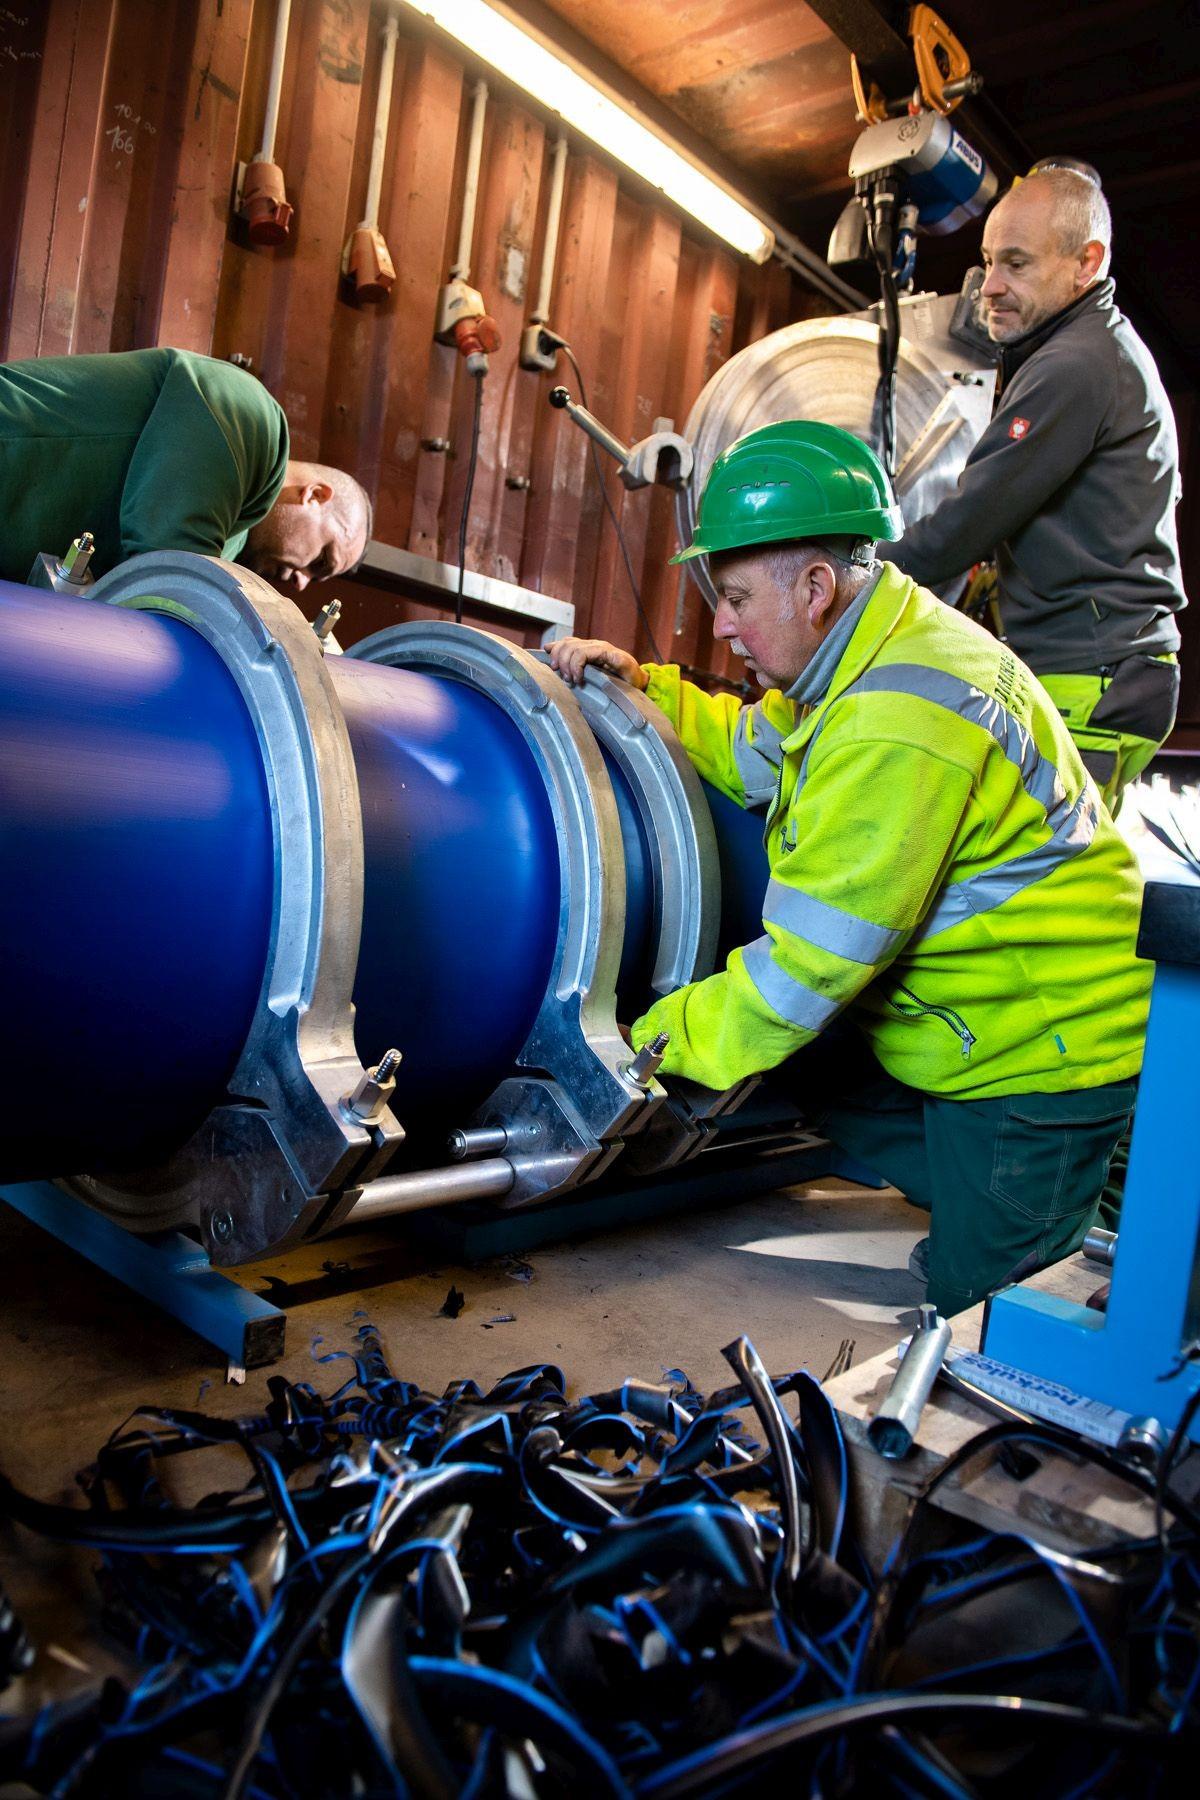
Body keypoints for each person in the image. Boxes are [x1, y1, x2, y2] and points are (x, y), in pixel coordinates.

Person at [548, 420, 1152, 1319]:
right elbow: (758, 748)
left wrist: (642, 1044)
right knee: (805, 1072)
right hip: (982, 1019)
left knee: (989, 1319)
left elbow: (802, 972)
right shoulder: (871, 654)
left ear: (819, 587)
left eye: (737, 598)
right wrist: (652, 693)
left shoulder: (897, 716)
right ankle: (1058, 1202)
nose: (722, 624)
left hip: (1038, 1057)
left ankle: (1052, 1211)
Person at [890, 166, 1186, 811]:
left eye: (1017, 264)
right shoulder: (1086, 349)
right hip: (1105, 665)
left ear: (1086, 262)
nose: (990, 287)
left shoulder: (1077, 363)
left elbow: (970, 520)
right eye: (988, 261)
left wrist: (849, 577)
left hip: (1092, 672)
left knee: (1028, 882)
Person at [0, 346, 371, 593]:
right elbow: (169, 569)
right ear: (315, 496)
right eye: (321, 561)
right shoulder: (253, 418)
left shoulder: (231, 538)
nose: (302, 582)